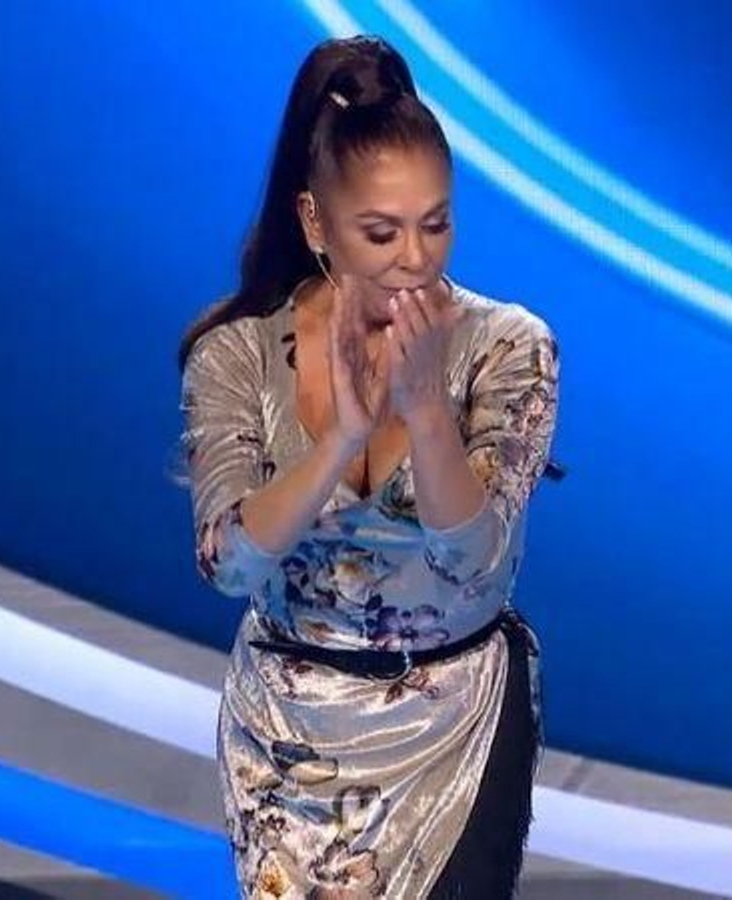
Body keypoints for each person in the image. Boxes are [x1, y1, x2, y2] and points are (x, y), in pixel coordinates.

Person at [178, 35, 559, 899]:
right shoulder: (234, 355)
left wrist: (426, 416)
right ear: (316, 223)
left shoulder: (509, 347)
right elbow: (229, 563)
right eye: (381, 232)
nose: (416, 257)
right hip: (289, 740)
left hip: (454, 723)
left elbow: (477, 558)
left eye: (437, 224)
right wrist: (340, 440)